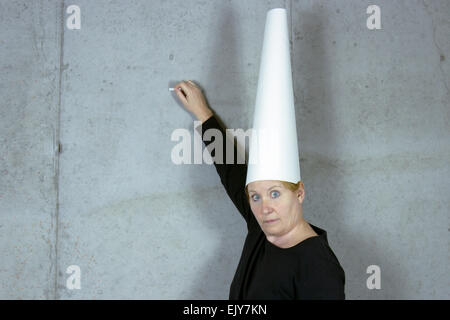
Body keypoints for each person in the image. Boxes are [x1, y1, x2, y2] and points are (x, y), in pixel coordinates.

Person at [173, 80, 345, 300]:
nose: (265, 208)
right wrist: (203, 113)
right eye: (255, 196)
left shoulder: (318, 267)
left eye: (275, 193)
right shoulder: (261, 229)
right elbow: (232, 171)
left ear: (299, 193)